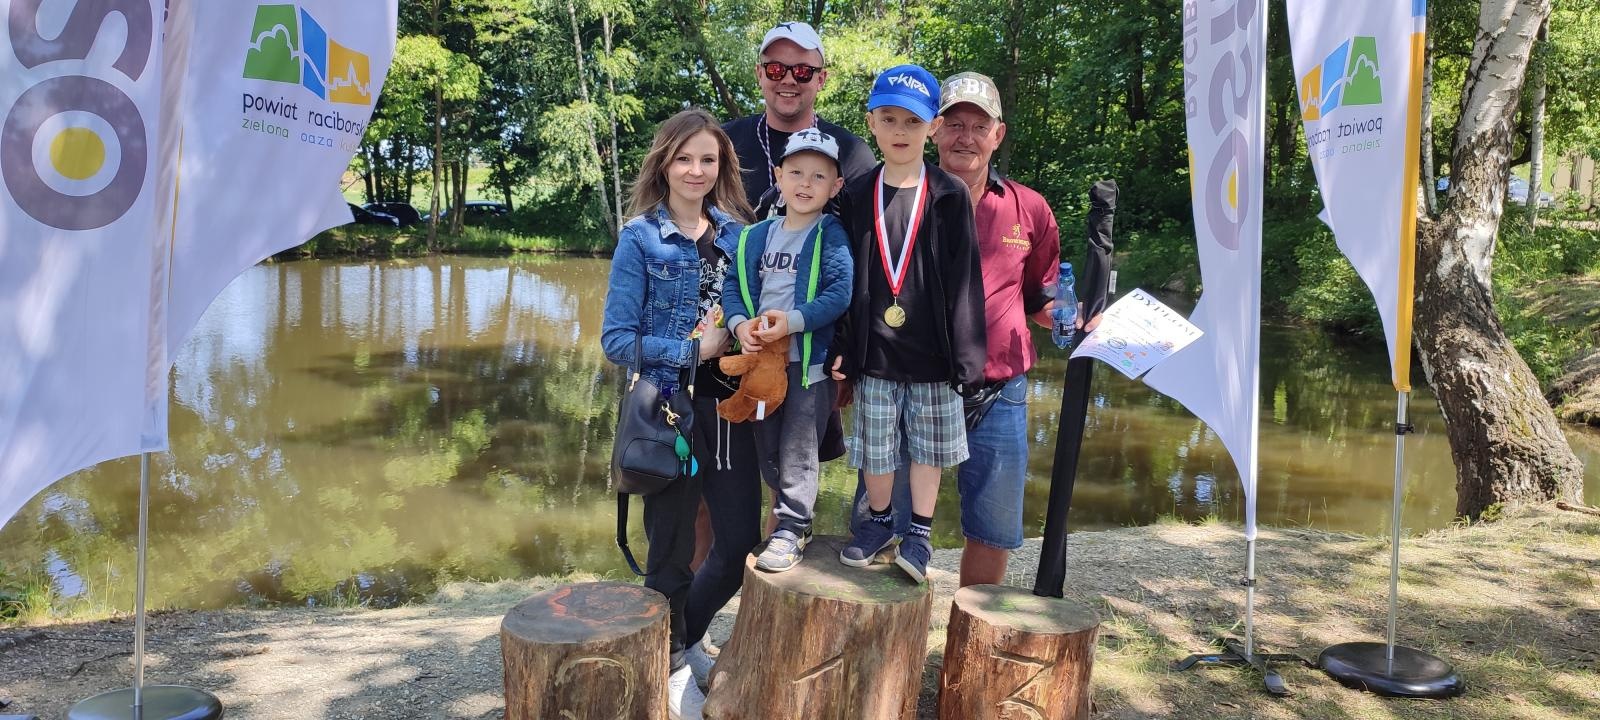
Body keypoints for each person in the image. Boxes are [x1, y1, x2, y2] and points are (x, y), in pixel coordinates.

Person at [852, 72, 1109, 588]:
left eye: (979, 125)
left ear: (998, 134)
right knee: (884, 525)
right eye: (954, 124)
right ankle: (884, 635)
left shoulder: (1029, 208)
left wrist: (1072, 315)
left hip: (997, 394)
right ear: (934, 129)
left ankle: (969, 636)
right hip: (906, 381)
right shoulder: (886, 195)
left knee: (991, 532)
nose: (965, 137)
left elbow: (1040, 299)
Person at [599, 108, 756, 720]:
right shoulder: (640, 238)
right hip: (669, 415)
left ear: (722, 166)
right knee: (669, 549)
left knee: (740, 543)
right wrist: (694, 350)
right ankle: (668, 665)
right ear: (664, 164)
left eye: (707, 159)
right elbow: (618, 341)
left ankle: (686, 636)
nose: (696, 170)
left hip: (732, 411)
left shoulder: (740, 236)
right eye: (684, 158)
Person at [830, 65, 987, 584]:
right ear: (871, 122)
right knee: (875, 448)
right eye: (890, 119)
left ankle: (919, 534)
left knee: (928, 449)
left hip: (933, 356)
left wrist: (968, 356)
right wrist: (843, 345)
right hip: (874, 352)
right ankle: (878, 523)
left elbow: (965, 279)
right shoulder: (856, 193)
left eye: (913, 122)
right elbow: (843, 276)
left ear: (933, 127)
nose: (900, 131)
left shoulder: (949, 194)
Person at [720, 128, 853, 573]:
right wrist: (740, 325)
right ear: (778, 176)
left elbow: (839, 293)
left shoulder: (831, 233)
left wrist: (793, 322)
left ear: (835, 186)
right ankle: (793, 521)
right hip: (761, 368)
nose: (805, 183)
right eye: (796, 172)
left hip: (806, 368)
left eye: (819, 176)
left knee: (799, 447)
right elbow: (733, 287)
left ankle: (792, 526)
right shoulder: (756, 236)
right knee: (769, 447)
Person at [721, 21, 876, 215]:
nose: (788, 80)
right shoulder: (723, 143)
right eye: (775, 70)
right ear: (760, 74)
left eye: (803, 71)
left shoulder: (852, 155)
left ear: (821, 79)